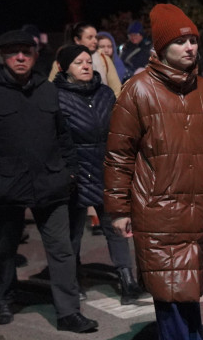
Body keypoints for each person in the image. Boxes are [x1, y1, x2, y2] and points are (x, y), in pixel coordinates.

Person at [104, 3, 203, 340]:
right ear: (161, 47)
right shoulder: (138, 90)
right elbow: (119, 154)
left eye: (193, 39)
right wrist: (118, 209)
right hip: (155, 206)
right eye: (180, 40)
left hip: (199, 206)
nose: (190, 46)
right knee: (169, 289)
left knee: (187, 285)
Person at [0, 30, 97, 332]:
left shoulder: (47, 90)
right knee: (3, 249)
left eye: (26, 52)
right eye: (13, 52)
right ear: (2, 56)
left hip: (51, 183)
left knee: (62, 249)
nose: (20, 57)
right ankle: (4, 298)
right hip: (5, 187)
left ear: (35, 55)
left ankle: (68, 313)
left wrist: (70, 171)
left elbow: (63, 135)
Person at [53, 45, 141, 304]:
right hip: (75, 171)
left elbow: (119, 130)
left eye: (87, 62)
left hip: (105, 168)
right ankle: (73, 278)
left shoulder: (104, 93)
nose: (85, 66)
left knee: (115, 225)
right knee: (73, 232)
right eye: (78, 62)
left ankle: (127, 279)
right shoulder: (55, 96)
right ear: (65, 68)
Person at [50, 23, 122, 94]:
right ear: (77, 40)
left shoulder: (103, 59)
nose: (95, 41)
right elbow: (51, 90)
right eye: (90, 37)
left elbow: (116, 90)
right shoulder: (61, 61)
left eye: (96, 37)